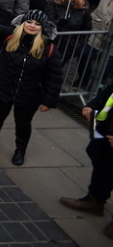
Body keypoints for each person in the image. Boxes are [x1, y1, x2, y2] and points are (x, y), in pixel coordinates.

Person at [0, 10, 63, 166]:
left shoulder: (49, 48)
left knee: (23, 123)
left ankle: (20, 150)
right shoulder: (10, 36)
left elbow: (55, 77)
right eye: (29, 22)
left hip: (29, 94)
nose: (32, 26)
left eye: (37, 24)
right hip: (4, 87)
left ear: (43, 27)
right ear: (23, 22)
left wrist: (49, 100)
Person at [58, 81, 113, 240]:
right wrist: (91, 105)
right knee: (101, 163)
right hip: (106, 129)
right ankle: (95, 201)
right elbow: (109, 91)